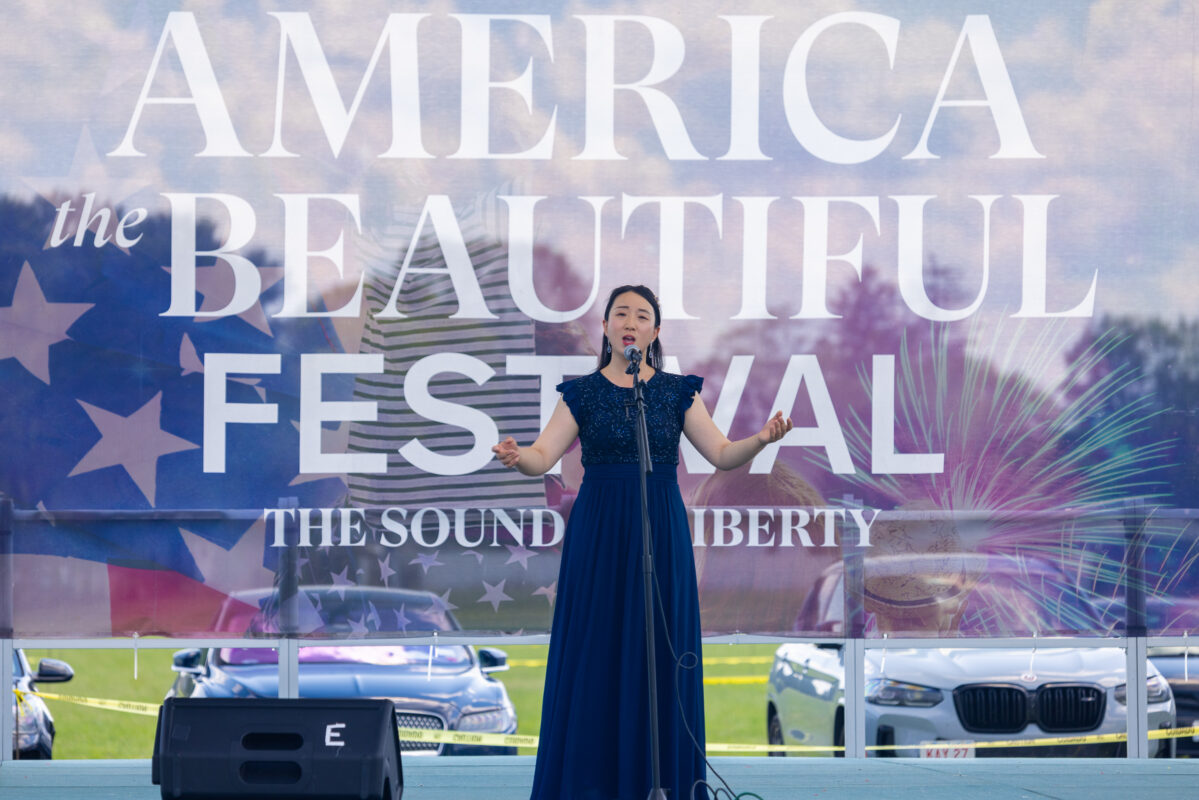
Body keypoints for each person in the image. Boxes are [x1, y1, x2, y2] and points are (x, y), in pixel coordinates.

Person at [492, 285, 792, 800]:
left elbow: (720, 452)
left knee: (659, 646)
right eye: (621, 313)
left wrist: (761, 439)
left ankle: (660, 782)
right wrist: (520, 457)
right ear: (606, 326)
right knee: (597, 649)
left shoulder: (676, 391)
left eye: (642, 315)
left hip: (660, 526)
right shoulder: (581, 394)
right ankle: (589, 783)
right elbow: (543, 455)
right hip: (600, 530)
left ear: (655, 332)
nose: (631, 321)